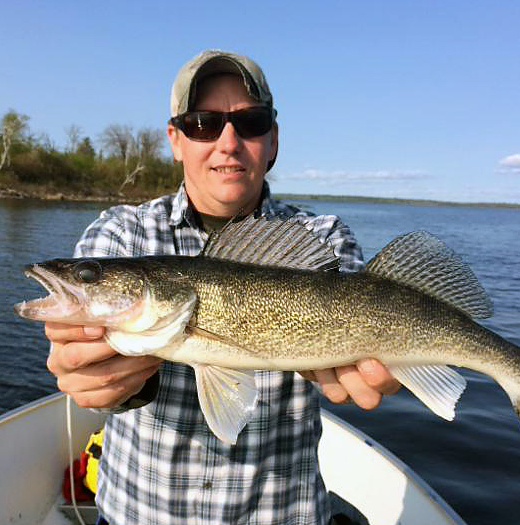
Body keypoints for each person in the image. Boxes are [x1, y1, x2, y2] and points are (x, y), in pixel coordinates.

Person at [45, 49, 400, 525]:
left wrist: (394, 366)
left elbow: (377, 343)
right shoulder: (119, 236)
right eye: (203, 123)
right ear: (174, 139)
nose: (228, 142)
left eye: (250, 122)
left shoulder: (322, 239)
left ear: (273, 140)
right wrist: (104, 381)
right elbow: (81, 363)